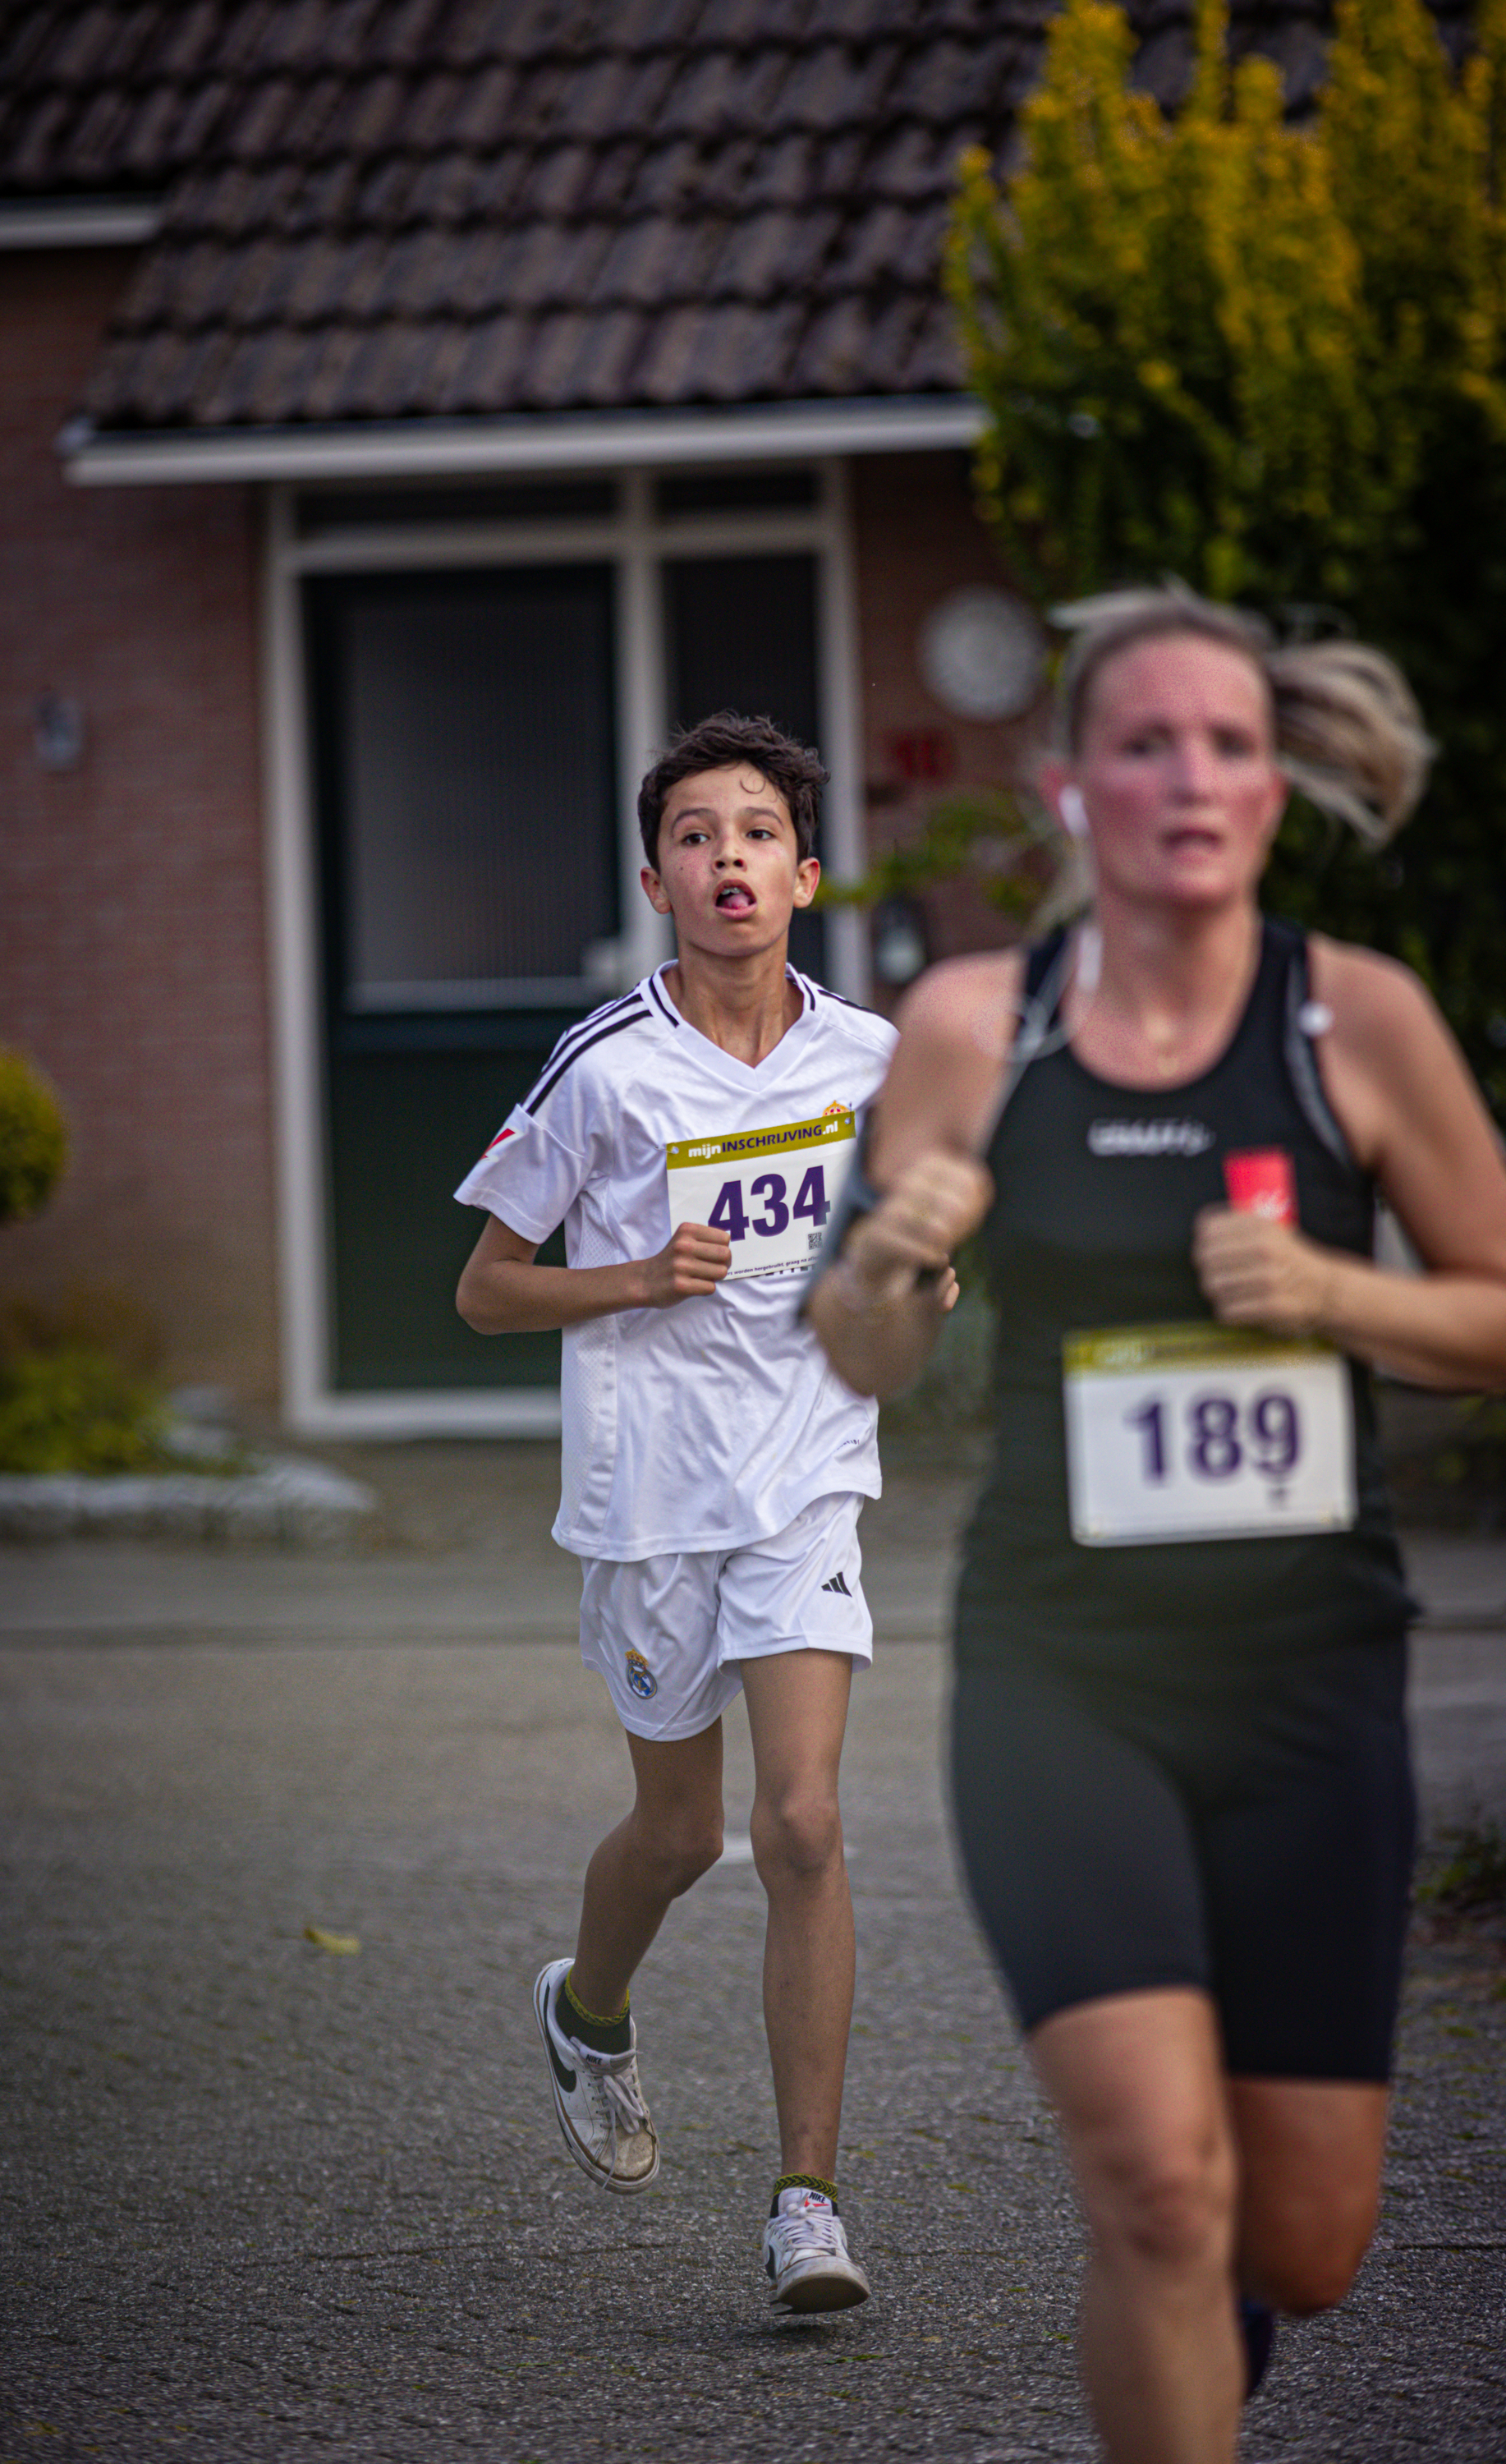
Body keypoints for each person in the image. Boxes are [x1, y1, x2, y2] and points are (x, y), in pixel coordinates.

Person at [807, 586, 1506, 2462]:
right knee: (1151, 2186)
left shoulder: (1353, 1020)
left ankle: (1213, 2336)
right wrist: (892, 1256)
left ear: (1272, 789)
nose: (1188, 775)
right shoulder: (978, 1027)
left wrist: (1333, 1295)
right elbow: (861, 1349)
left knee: (1303, 2234)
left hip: (1309, 1685)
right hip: (1069, 1676)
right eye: (1144, 742)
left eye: (1226, 742)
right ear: (1069, 790)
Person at [453, 710, 907, 2312]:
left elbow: (915, 1275)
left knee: (800, 1825)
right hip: (650, 1499)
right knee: (683, 1833)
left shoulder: (869, 1060)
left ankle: (804, 2203)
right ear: (658, 877)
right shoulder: (605, 1065)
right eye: (700, 836)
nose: (732, 859)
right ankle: (589, 2009)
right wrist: (640, 1275)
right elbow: (485, 1293)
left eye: (759, 833)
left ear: (807, 869)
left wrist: (906, 1286)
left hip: (803, 1480)